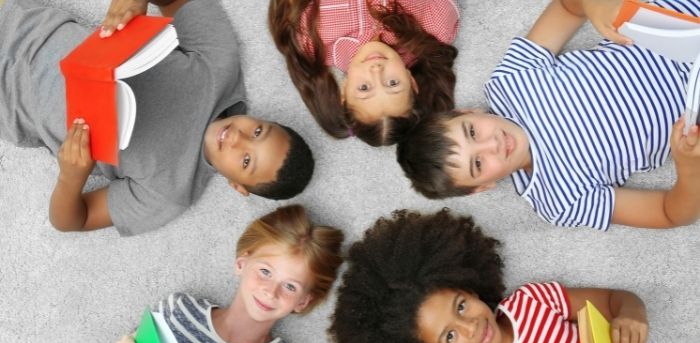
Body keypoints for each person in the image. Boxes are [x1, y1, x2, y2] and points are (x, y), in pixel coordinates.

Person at [0, 0, 315, 237]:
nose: (238, 139)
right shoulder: (219, 67)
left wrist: (72, 176)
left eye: (246, 161)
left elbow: (71, 221)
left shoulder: (168, 195)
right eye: (258, 131)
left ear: (238, 186)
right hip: (27, 25)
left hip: (10, 103)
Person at [396, 0, 700, 230]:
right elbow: (669, 213)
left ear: (469, 112)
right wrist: (689, 168)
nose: (493, 144)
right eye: (478, 163)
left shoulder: (509, 82)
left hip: (672, 18)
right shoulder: (558, 201)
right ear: (482, 188)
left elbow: (568, 7)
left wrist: (594, 6)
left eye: (472, 132)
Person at [329, 209, 659, 343]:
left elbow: (616, 300)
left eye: (460, 307)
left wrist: (632, 314)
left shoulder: (531, 302)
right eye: (449, 337)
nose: (471, 326)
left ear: (467, 287)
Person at [85, 204, 344, 343]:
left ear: (303, 302)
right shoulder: (179, 311)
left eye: (290, 286)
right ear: (241, 264)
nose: (270, 291)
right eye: (265, 271)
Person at [268, 0, 459, 146]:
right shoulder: (434, 29)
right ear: (412, 82)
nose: (376, 71)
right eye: (393, 83)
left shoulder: (310, 40)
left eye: (364, 88)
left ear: (344, 93)